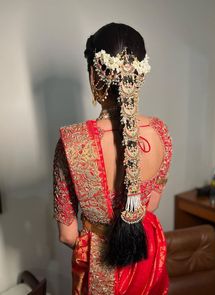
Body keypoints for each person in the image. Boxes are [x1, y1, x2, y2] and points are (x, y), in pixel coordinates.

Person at [53, 22, 173, 295]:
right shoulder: (160, 132)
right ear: (139, 77)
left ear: (95, 77)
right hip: (147, 252)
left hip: (101, 263)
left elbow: (68, 235)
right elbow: (151, 204)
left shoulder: (72, 143)